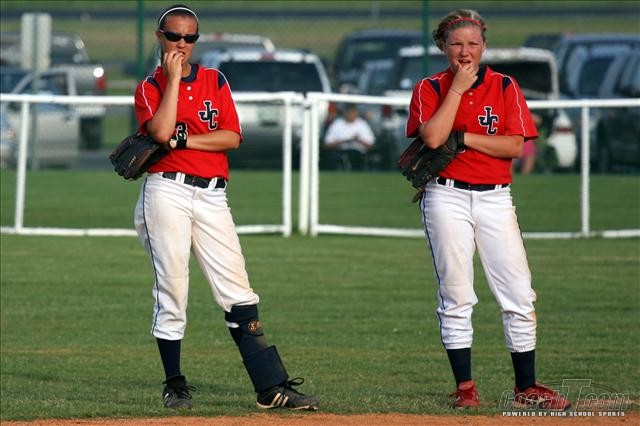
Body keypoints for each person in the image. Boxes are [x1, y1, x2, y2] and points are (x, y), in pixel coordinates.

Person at [132, 4, 319, 411]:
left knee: (238, 289)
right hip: (167, 192)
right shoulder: (150, 86)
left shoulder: (215, 79)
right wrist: (173, 81)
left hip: (213, 195)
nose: (182, 44)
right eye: (174, 35)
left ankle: (270, 387)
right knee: (173, 289)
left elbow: (231, 136)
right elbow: (160, 131)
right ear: (160, 36)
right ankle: (175, 384)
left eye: (190, 37)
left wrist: (183, 141)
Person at [405, 9, 570, 410]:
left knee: (519, 293)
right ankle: (465, 388)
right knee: (457, 292)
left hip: (496, 198)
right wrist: (457, 91)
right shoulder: (430, 87)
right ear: (442, 46)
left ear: (484, 46)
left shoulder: (505, 85)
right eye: (456, 44)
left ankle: (526, 387)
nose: (465, 51)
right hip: (446, 197)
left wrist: (464, 137)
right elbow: (433, 137)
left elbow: (513, 146)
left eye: (473, 44)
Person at [323, 103, 375, 170]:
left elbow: (371, 145)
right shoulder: (337, 123)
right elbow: (327, 144)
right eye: (349, 112)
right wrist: (345, 141)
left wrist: (358, 140)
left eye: (353, 112)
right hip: (340, 151)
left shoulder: (362, 124)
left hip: (358, 153)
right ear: (345, 113)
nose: (351, 114)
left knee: (357, 156)